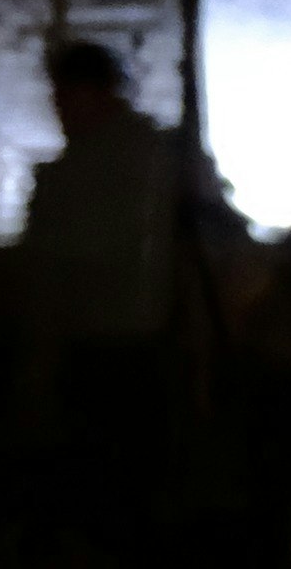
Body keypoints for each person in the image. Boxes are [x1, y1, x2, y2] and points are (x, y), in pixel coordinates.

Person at [21, 37, 253, 471]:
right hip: (125, 349)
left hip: (121, 349)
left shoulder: (130, 163)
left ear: (96, 92)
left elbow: (51, 267)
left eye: (65, 95)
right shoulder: (154, 157)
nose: (58, 108)